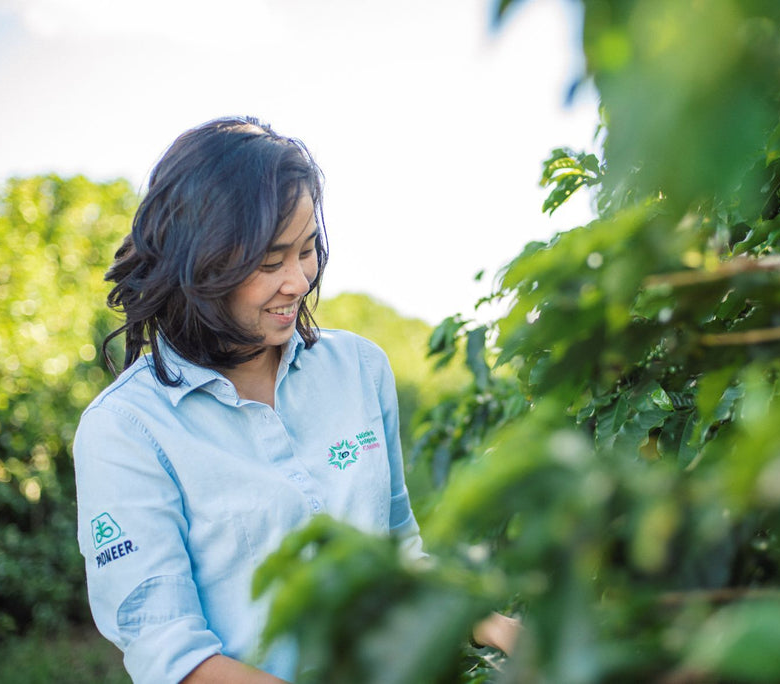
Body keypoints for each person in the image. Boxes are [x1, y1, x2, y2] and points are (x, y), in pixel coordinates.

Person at [74, 117, 516, 684]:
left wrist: (491, 622)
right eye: (268, 262)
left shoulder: (358, 368)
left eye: (307, 251)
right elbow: (172, 654)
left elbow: (398, 552)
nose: (299, 281)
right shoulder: (128, 430)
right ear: (198, 263)